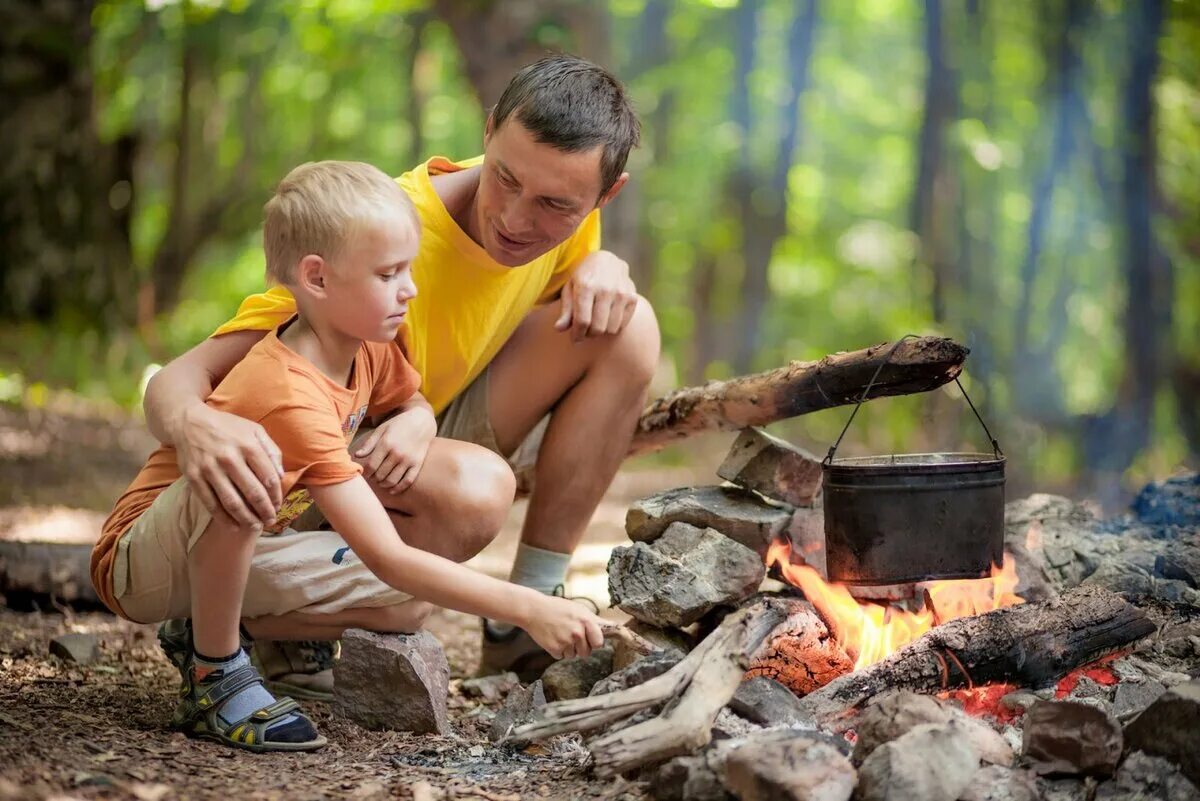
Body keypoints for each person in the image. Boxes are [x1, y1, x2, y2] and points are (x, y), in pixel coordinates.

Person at [142, 54, 661, 683]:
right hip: (309, 465)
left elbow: (573, 265)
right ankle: (232, 617)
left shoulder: (572, 217)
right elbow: (179, 378)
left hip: (415, 422)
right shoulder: (383, 231)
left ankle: (525, 621)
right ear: (488, 129)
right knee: (467, 507)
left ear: (606, 193)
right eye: (504, 178)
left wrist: (603, 266)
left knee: (629, 325)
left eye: (556, 204)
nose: (516, 218)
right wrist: (195, 427)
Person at [91, 161, 607, 752]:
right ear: (317, 279)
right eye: (389, 274)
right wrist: (532, 607)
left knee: (413, 602)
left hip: (249, 546)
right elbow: (384, 555)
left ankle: (207, 628)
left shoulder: (365, 345)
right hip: (146, 559)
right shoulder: (285, 390)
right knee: (250, 462)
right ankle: (216, 674)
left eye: (408, 268)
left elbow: (406, 396)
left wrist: (418, 417)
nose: (409, 289)